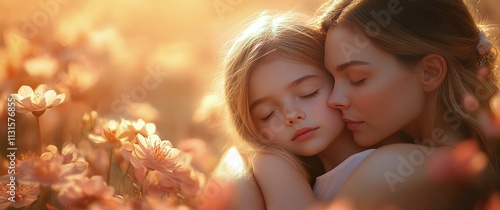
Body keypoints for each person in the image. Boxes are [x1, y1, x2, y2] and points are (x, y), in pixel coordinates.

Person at [314, 0, 500, 208]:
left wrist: (276, 166)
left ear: (430, 72)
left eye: (357, 79)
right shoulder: (477, 161)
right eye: (331, 80)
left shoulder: (391, 170)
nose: (334, 99)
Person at [220, 11, 390, 210]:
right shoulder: (302, 180)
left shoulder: (386, 168)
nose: (291, 116)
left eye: (308, 93)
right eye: (266, 114)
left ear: (338, 78)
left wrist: (267, 163)